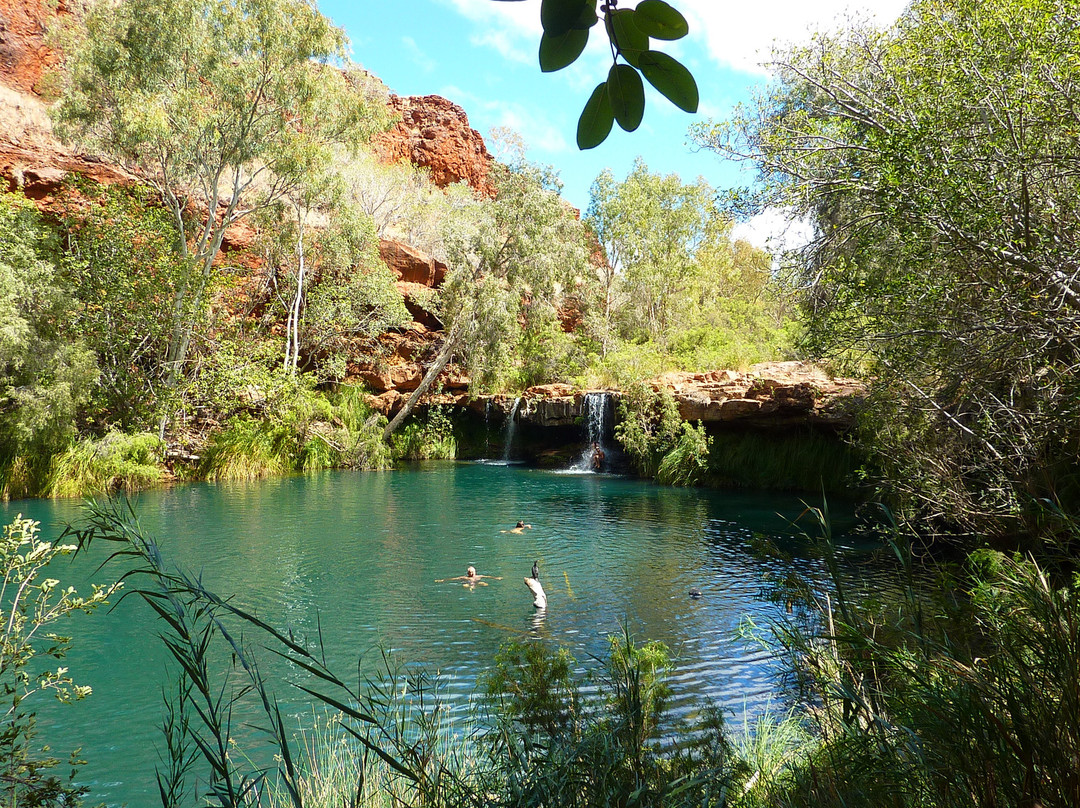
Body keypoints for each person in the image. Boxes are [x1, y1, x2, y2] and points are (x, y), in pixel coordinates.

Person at [436, 566, 502, 587]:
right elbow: (454, 579)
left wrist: (496, 578)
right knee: (465, 586)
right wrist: (443, 580)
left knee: (484, 584)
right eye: (470, 572)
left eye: (472, 572)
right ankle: (472, 587)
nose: (471, 573)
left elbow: (487, 576)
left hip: (476, 582)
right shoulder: (465, 577)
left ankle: (476, 586)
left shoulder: (479, 576)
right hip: (468, 583)